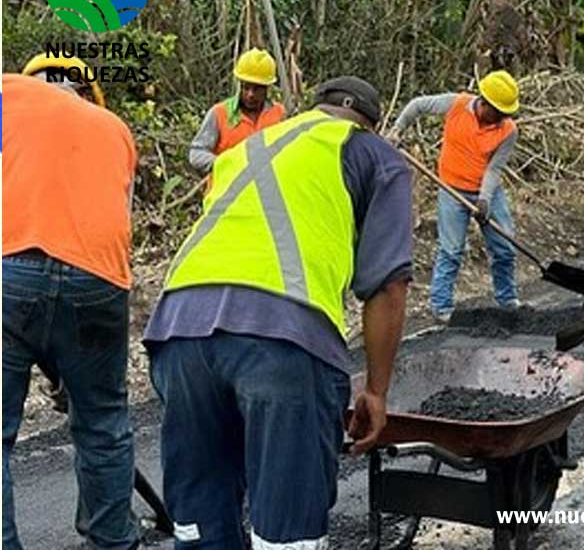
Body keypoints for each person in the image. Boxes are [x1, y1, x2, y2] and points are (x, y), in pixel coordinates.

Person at [145, 76, 413, 548]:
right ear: (368, 125)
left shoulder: (248, 147)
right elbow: (387, 284)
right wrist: (375, 390)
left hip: (178, 329)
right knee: (287, 532)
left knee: (200, 523)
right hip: (282, 338)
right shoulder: (372, 153)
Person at [3, 68, 139, 550]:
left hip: (10, 266)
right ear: (88, 95)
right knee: (103, 424)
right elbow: (118, 218)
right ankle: (114, 542)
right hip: (99, 281)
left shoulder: (7, 93)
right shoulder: (116, 130)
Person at [389, 70, 523, 322]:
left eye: (506, 114)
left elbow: (495, 168)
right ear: (485, 103)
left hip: (487, 192)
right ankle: (441, 307)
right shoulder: (457, 104)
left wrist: (484, 199)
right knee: (451, 250)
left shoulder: (508, 131)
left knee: (505, 247)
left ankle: (507, 300)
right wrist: (398, 130)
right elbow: (417, 105)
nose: (503, 118)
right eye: (499, 113)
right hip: (452, 190)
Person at [188, 48, 287, 174]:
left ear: (267, 88)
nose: (250, 94)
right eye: (246, 87)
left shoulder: (279, 114)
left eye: (257, 89)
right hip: (227, 191)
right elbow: (196, 153)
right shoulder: (219, 113)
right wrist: (224, 164)